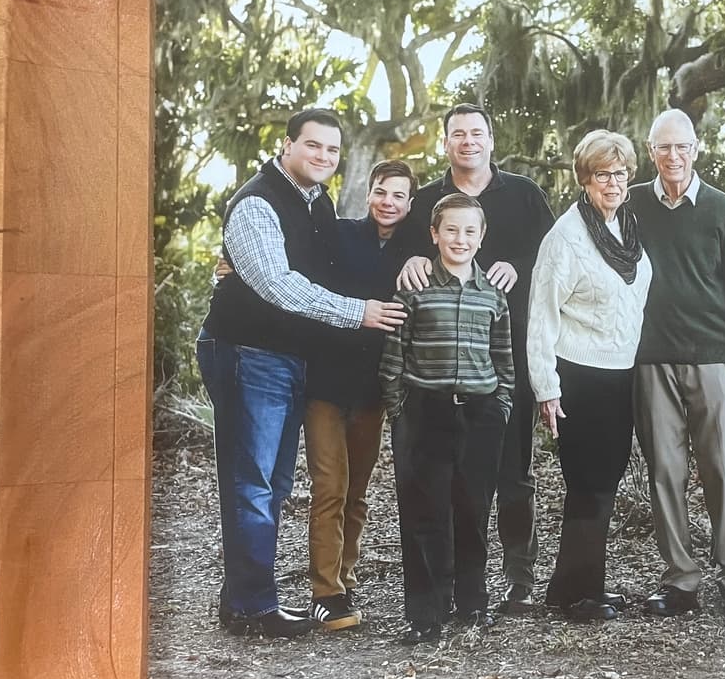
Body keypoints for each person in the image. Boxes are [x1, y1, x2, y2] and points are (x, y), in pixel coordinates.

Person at [197, 108, 405, 638]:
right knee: (254, 483)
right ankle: (250, 607)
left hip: (287, 358)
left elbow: (326, 267)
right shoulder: (257, 203)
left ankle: (245, 598)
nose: (323, 157)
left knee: (271, 482)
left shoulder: (317, 203)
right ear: (286, 145)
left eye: (332, 150)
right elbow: (278, 284)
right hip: (248, 352)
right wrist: (358, 311)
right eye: (313, 145)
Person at [395, 103, 555, 613]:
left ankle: (519, 578)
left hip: (507, 354)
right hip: (437, 371)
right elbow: (394, 248)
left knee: (513, 473)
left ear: (491, 139)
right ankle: (452, 586)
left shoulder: (524, 195)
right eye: (458, 133)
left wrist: (519, 265)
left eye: (477, 132)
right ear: (446, 143)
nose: (468, 141)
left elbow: (555, 254)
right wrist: (411, 257)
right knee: (447, 482)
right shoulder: (425, 201)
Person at [628, 108, 725, 619]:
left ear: (696, 149)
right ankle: (680, 581)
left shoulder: (721, 208)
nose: (673, 156)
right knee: (666, 471)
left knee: (722, 470)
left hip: (713, 357)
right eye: (664, 147)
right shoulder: (632, 203)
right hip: (650, 357)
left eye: (682, 146)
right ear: (650, 151)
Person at [527, 130, 654, 622]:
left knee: (604, 479)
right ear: (585, 178)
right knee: (589, 484)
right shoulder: (566, 238)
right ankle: (584, 594)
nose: (614, 182)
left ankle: (568, 586)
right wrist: (547, 388)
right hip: (579, 375)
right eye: (603, 174)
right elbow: (541, 316)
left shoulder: (627, 228)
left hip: (619, 374)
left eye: (621, 173)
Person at [381, 192, 516, 645]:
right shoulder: (414, 288)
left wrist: (501, 405)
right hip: (425, 411)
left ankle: (472, 603)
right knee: (426, 512)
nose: (460, 239)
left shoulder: (493, 293)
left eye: (469, 231)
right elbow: (395, 353)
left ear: (482, 237)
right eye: (451, 230)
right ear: (434, 234)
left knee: (473, 509)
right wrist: (399, 409)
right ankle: (426, 612)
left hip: (480, 413)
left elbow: (503, 357)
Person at [299, 159, 416, 632]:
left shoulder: (415, 250)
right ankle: (325, 593)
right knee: (330, 486)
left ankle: (344, 576)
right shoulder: (339, 234)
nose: (388, 202)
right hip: (325, 384)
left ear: (410, 203)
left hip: (373, 390)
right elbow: (292, 264)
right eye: (381, 192)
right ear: (368, 194)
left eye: (399, 195)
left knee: (357, 492)